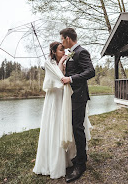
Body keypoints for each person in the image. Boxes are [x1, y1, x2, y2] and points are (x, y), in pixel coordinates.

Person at [33, 41, 91, 179]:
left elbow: (69, 77)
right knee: (56, 127)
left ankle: (70, 158)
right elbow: (59, 79)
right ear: (53, 52)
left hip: (66, 98)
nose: (64, 52)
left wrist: (65, 65)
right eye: (60, 50)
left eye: (64, 50)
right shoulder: (49, 63)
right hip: (55, 99)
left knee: (68, 126)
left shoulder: (67, 62)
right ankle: (55, 161)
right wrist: (61, 65)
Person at [60, 28, 95, 183]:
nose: (61, 42)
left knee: (78, 128)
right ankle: (81, 156)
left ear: (68, 38)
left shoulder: (82, 52)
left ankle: (81, 164)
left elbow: (91, 71)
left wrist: (71, 79)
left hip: (79, 96)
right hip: (71, 96)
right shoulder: (70, 55)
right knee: (75, 127)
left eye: (62, 39)